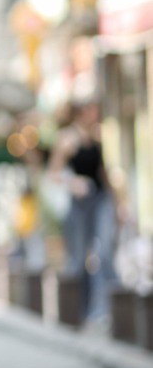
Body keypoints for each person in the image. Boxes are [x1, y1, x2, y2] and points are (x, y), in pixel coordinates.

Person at [49, 101, 116, 324]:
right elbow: (54, 173)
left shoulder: (97, 136)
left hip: (100, 199)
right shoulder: (68, 138)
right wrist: (73, 182)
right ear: (82, 113)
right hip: (80, 204)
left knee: (105, 252)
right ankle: (82, 311)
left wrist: (118, 201)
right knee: (79, 259)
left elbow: (102, 170)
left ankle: (109, 309)